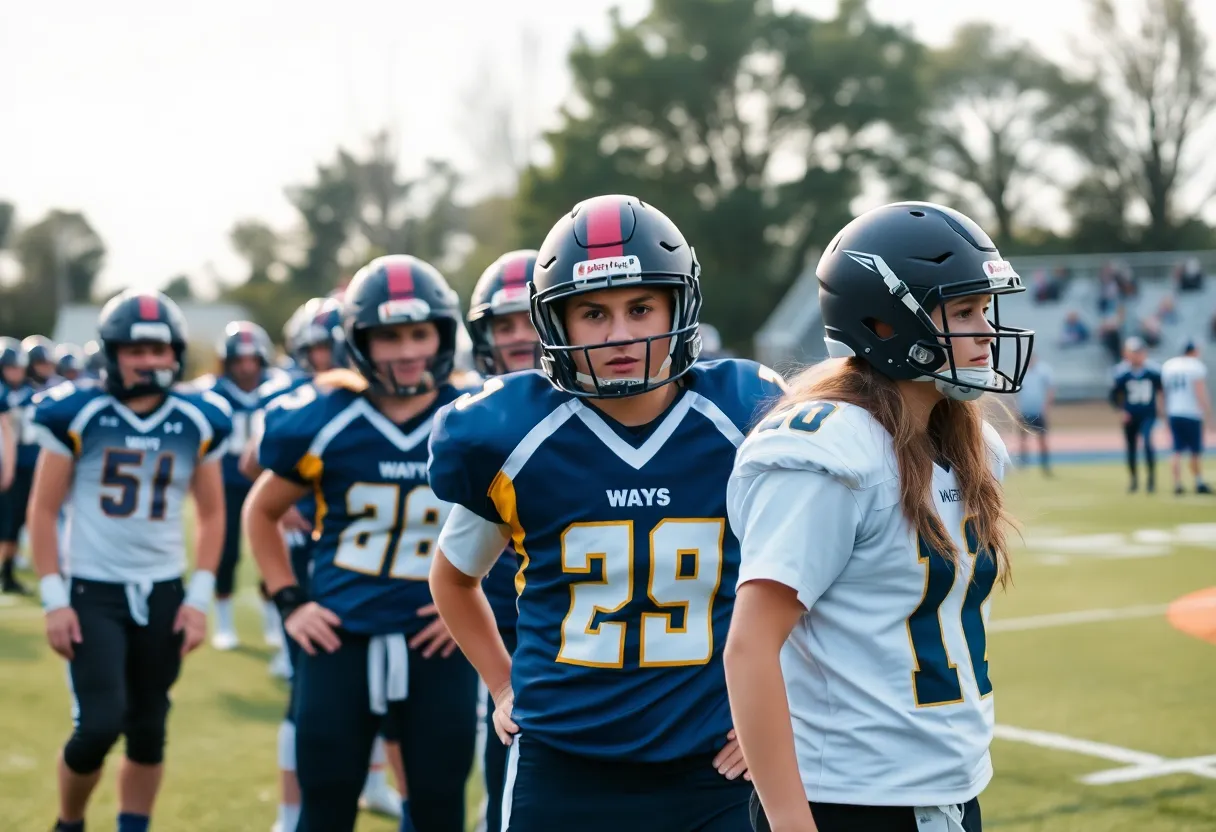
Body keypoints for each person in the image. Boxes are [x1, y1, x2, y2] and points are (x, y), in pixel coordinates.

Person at [428, 194, 786, 832]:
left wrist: (772, 706)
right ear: (556, 323)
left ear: (681, 305)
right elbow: (452, 578)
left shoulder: (746, 416)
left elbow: (806, 580)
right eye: (594, 313)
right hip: (562, 764)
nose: (621, 334)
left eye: (641, 307)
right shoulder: (514, 433)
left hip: (714, 766)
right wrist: (503, 684)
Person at [722, 201, 1032, 832]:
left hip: (948, 786)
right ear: (887, 323)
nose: (988, 331)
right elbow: (750, 646)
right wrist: (790, 821)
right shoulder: (830, 450)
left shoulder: (972, 446)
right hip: (851, 802)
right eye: (965, 311)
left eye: (985, 310)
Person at [246, 254, 479, 832]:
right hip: (339, 635)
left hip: (437, 643)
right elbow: (261, 511)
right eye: (388, 336)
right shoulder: (326, 417)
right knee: (323, 808)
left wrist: (474, 608)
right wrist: (290, 603)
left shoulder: (475, 417)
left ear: (444, 334)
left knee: (438, 808)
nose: (405, 351)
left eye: (419, 333)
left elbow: (523, 528)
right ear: (359, 342)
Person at [29, 290, 231, 832]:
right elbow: (43, 511)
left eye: (157, 350)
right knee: (98, 725)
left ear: (176, 354)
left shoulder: (198, 418)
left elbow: (213, 514)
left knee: (148, 729)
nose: (146, 361)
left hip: (164, 591)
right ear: (111, 353)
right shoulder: (78, 411)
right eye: (133, 349)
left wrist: (197, 599)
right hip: (94, 591)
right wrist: (53, 600)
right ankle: (69, 821)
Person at [463, 248, 543, 832]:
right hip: (502, 624)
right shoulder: (478, 420)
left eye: (530, 319)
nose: (518, 338)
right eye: (503, 323)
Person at [191, 320, 285, 651]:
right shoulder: (212, 392)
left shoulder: (279, 389)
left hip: (267, 480)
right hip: (227, 482)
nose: (246, 367)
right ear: (226, 362)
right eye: (238, 360)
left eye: (252, 360)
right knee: (226, 551)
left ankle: (274, 617)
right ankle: (226, 622)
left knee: (275, 549)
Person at [1110, 336, 1163, 493]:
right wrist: (1122, 410)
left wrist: (1161, 410)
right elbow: (1114, 395)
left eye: (1138, 351)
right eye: (1133, 352)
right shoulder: (1122, 372)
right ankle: (1134, 480)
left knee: (1147, 443)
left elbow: (1161, 392)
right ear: (1126, 353)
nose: (1136, 355)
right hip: (1130, 415)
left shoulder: (1153, 371)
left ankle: (1151, 480)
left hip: (1148, 413)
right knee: (1131, 448)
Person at [1161, 339, 1212, 495]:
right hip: (1191, 412)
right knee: (1195, 451)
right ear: (1193, 351)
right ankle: (1198, 482)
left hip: (1174, 411)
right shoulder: (1195, 366)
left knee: (1176, 449)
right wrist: (1208, 412)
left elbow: (1164, 392)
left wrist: (1164, 414)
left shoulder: (1169, 366)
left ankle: (1177, 484)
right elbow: (1200, 391)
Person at [0, 337, 24, 592]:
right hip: (6, 464)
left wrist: (8, 468)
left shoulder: (10, 395)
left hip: (6, 464)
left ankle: (7, 573)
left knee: (10, 522)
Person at [1014, 354, 1053, 474]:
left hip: (1038, 410)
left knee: (1042, 439)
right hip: (1024, 410)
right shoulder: (1021, 372)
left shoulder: (1043, 371)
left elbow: (1050, 388)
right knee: (1023, 439)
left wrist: (1046, 405)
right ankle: (1024, 464)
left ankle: (1045, 465)